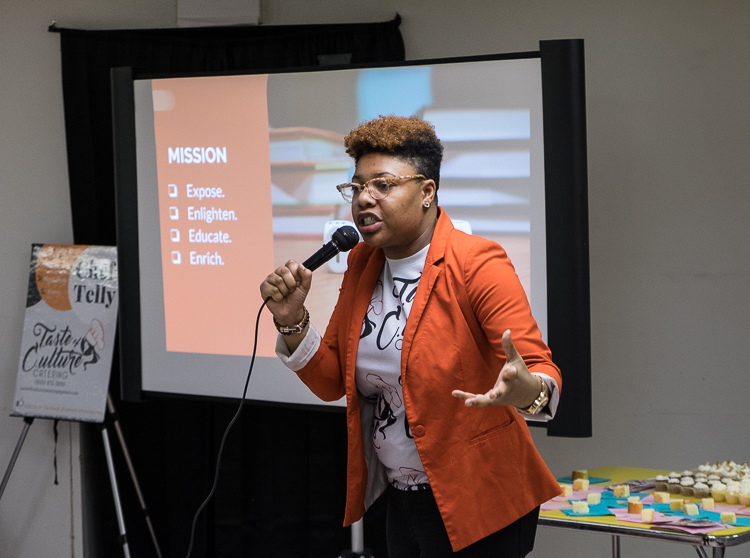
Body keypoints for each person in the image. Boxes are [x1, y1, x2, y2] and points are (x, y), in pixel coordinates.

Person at [260, 115, 562, 557]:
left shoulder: (477, 262)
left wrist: (526, 390)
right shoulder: (364, 263)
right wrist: (292, 321)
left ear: (427, 193)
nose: (365, 198)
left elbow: (540, 372)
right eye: (357, 186)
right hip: (402, 498)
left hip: (480, 497)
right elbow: (330, 383)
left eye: (382, 184)